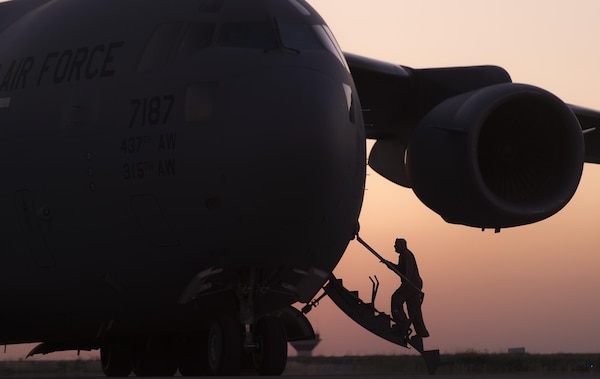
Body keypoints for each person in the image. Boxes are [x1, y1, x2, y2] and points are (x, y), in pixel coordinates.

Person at [390, 238, 429, 339]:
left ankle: (402, 323)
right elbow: (400, 269)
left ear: (402, 245)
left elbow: (409, 271)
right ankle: (421, 332)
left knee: (396, 299)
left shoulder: (406, 255)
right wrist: (389, 264)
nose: (394, 247)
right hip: (413, 283)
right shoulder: (404, 255)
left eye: (396, 245)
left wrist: (405, 283)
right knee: (414, 309)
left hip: (411, 283)